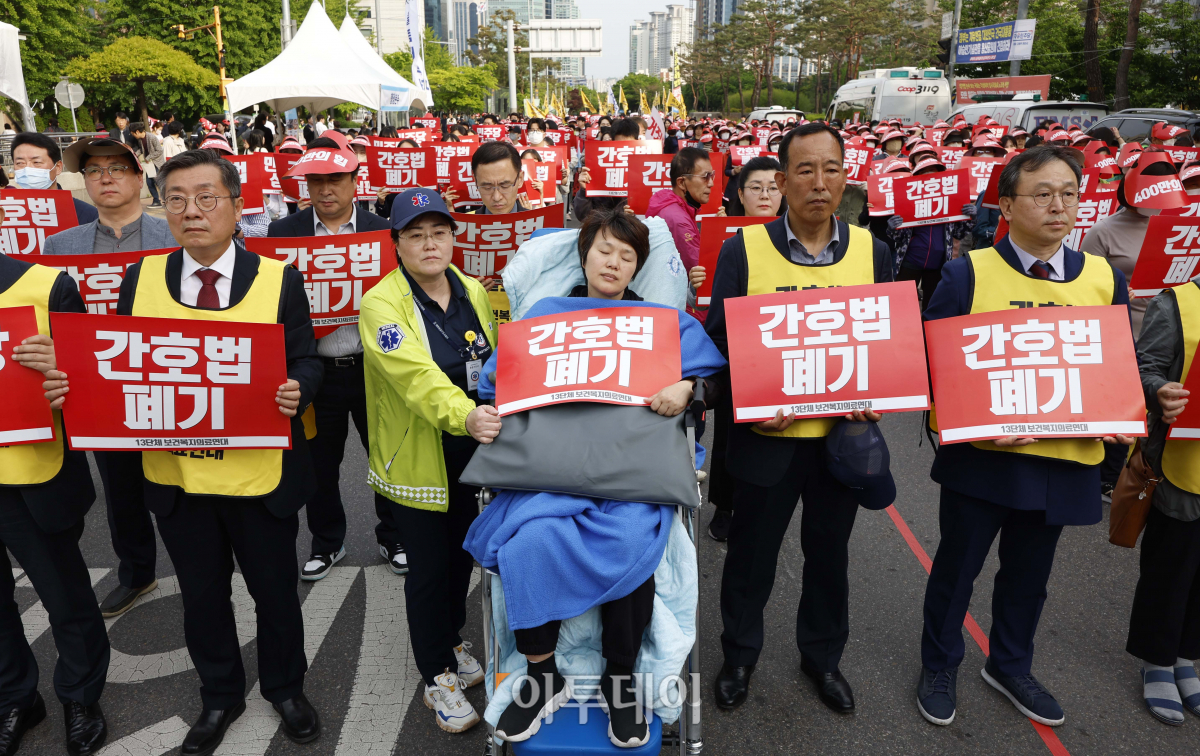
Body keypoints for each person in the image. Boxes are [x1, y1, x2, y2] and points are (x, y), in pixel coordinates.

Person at [43, 149, 325, 754]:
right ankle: (220, 696)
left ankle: (285, 689)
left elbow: (306, 355)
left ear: (237, 206)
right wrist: (76, 385)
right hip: (179, 480)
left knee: (274, 594)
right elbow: (118, 364)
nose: (191, 211)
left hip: (261, 477)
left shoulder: (279, 278)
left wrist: (299, 385)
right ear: (161, 206)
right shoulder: (139, 279)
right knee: (202, 598)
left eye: (206, 197)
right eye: (176, 199)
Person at [468, 208, 725, 746]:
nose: (614, 262)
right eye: (604, 250)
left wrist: (687, 388)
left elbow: (712, 378)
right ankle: (543, 672)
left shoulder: (661, 321)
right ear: (584, 254)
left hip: (630, 473)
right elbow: (496, 385)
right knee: (529, 539)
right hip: (551, 471)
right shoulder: (545, 315)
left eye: (627, 255)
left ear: (638, 268)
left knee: (633, 540)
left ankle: (621, 677)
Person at [915, 146, 1133, 729]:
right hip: (984, 461)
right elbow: (932, 366)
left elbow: (1114, 363)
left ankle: (1010, 664)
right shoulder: (967, 273)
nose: (1058, 205)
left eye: (1068, 192)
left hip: (1064, 458)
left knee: (1030, 575)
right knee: (958, 568)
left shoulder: (1101, 277)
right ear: (1006, 205)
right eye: (1042, 194)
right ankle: (939, 663)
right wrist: (980, 420)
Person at [705, 122, 894, 714]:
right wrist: (751, 405)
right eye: (805, 171)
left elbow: (884, 347)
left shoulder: (874, 252)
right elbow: (718, 348)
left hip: (841, 443)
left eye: (831, 169)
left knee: (829, 556)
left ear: (845, 177)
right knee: (751, 557)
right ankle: (739, 655)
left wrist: (879, 392)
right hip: (768, 442)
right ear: (782, 181)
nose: (819, 183)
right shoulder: (742, 250)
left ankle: (822, 658)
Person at [358, 188, 500, 734]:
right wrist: (465, 415)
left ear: (454, 237)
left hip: (473, 449)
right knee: (428, 569)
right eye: (415, 235)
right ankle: (436, 675)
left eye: (439, 232)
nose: (429, 243)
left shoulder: (471, 290)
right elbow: (415, 377)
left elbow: (488, 362)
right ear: (397, 244)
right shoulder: (381, 305)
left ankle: (451, 640)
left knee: (463, 558)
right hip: (419, 456)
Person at [41, 137, 176, 616]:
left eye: (117, 168)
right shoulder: (59, 247)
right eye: (94, 170)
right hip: (96, 387)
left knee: (178, 484)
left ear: (140, 178)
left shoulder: (175, 238)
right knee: (120, 489)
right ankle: (137, 573)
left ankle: (198, 566)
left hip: (170, 382)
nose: (105, 177)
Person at [268, 135, 404, 579]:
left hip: (374, 367)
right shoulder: (282, 234)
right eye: (316, 181)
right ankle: (328, 543)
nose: (326, 190)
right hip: (314, 370)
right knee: (318, 465)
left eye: (336, 180)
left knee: (386, 454)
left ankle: (395, 536)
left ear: (354, 180)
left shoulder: (383, 231)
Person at [1, 256, 109, 755]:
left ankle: (80, 695)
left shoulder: (46, 286)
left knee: (64, 598)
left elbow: (93, 379)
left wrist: (60, 370)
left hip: (32, 476)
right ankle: (15, 697)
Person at [1127, 269, 1200, 726]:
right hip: (1183, 464)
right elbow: (1142, 366)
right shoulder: (1178, 303)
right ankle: (1157, 660)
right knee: (1173, 564)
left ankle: (1188, 656)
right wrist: (1160, 391)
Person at [698, 155, 783, 543]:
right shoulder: (725, 238)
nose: (765, 195)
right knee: (732, 436)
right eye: (755, 187)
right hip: (738, 348)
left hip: (785, 347)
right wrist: (694, 277)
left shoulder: (796, 237)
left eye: (772, 186)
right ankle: (725, 505)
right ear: (740, 194)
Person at [885, 158, 977, 311]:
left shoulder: (950, 200)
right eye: (925, 173)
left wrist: (971, 217)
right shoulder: (908, 198)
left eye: (934, 172)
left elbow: (959, 234)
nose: (930, 176)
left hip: (938, 263)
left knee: (932, 305)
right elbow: (897, 239)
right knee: (903, 304)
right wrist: (892, 227)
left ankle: (927, 334)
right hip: (911, 260)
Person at [10, 133, 99, 224]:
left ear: (58, 167)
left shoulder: (86, 214)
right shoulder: (7, 214)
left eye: (36, 162)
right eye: (20, 163)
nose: (27, 169)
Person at [574, 118, 643, 222]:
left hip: (632, 233)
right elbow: (583, 216)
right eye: (620, 146)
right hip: (602, 231)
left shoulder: (645, 172)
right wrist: (584, 191)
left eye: (629, 146)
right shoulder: (597, 169)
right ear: (611, 142)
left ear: (638, 143)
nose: (624, 151)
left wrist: (632, 217)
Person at [129, 121, 163, 208]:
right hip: (150, 165)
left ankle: (168, 199)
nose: (132, 135)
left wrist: (148, 157)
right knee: (149, 182)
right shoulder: (140, 139)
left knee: (159, 182)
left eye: (133, 133)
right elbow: (142, 149)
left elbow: (159, 150)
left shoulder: (151, 137)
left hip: (157, 163)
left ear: (137, 132)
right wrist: (134, 154)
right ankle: (156, 200)